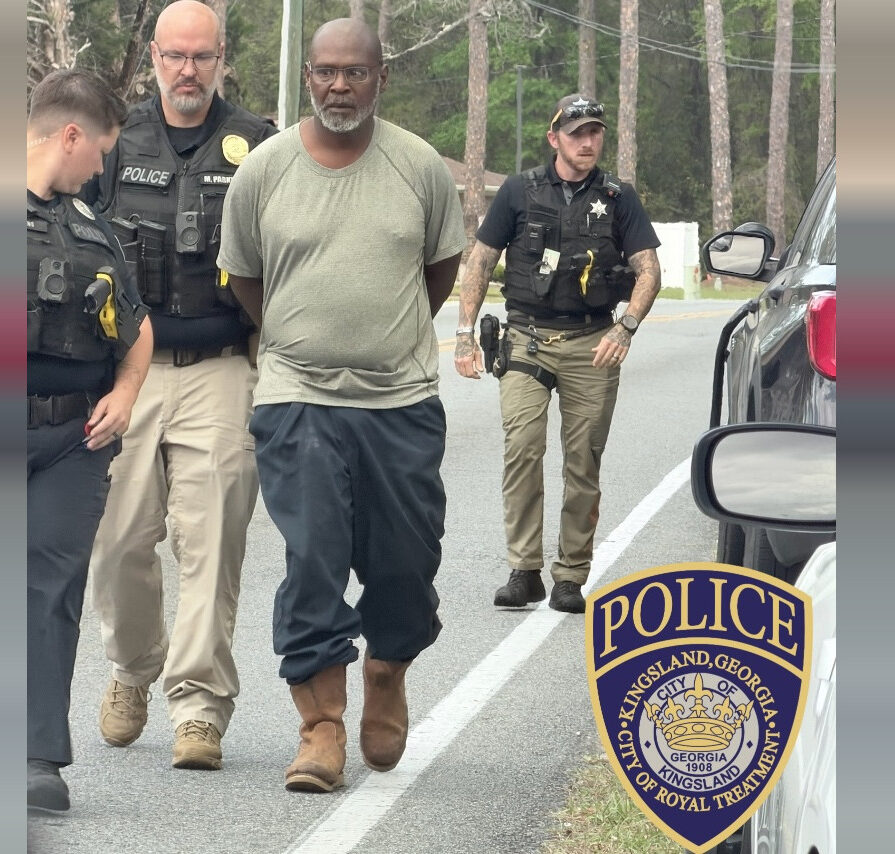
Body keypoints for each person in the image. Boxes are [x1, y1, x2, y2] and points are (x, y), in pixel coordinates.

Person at [217, 18, 465, 793]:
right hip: (298, 397)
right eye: (325, 72)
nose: (339, 86)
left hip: (401, 400)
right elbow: (246, 279)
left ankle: (386, 669)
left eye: (355, 73)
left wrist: (382, 339)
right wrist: (301, 342)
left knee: (404, 561)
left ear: (380, 79)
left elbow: (440, 269)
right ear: (308, 77)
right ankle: (320, 727)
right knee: (314, 557)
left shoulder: (419, 166)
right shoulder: (264, 170)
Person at [79, 0, 278, 771]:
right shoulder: (115, 140)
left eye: (201, 56)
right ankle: (133, 666)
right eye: (174, 56)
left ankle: (199, 706)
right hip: (128, 371)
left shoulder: (261, 144)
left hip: (223, 367)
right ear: (154, 58)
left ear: (222, 56)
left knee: (213, 539)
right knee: (120, 540)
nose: (187, 71)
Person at [453, 93, 662, 614]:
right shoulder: (520, 192)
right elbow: (479, 261)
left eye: (595, 132)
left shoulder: (619, 198)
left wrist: (626, 328)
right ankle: (524, 571)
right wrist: (462, 333)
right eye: (577, 133)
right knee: (522, 449)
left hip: (592, 342)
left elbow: (649, 270)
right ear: (554, 139)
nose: (587, 142)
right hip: (525, 337)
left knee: (583, 459)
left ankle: (570, 575)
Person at [27, 69, 152, 812]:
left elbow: (137, 332)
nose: (101, 168)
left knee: (50, 588)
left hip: (76, 437)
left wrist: (127, 395)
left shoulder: (93, 227)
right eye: (99, 152)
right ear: (70, 135)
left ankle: (37, 756)